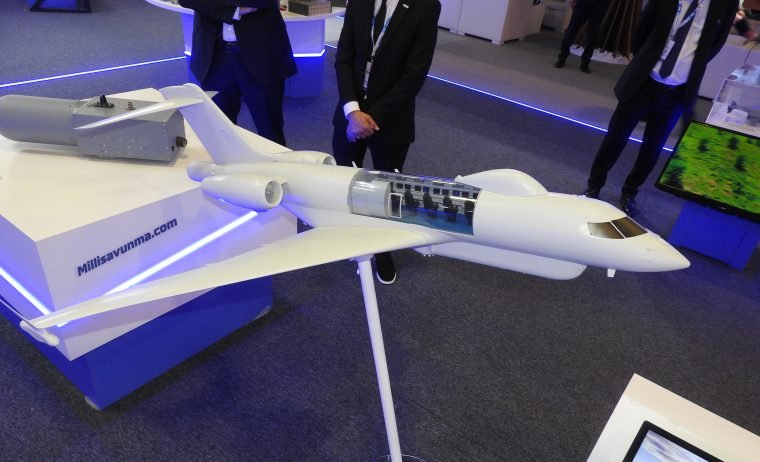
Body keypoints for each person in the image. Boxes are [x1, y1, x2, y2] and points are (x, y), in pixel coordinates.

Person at [582, 0, 738, 216]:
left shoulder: (725, 4)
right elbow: (642, 27)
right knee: (615, 138)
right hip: (644, 81)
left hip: (677, 90)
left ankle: (630, 191)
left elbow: (715, 45)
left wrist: (685, 69)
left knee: (652, 149)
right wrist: (646, 60)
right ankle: (594, 186)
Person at [331, 0, 441, 285]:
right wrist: (353, 112)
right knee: (344, 178)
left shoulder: (426, 6)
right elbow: (344, 58)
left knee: (386, 190)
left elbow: (413, 76)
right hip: (350, 113)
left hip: (392, 119)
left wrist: (370, 119)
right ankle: (351, 236)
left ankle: (382, 251)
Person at [179, 0, 296, 146]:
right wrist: (234, 11)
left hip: (261, 54)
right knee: (220, 133)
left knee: (270, 133)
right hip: (215, 56)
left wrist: (213, 5)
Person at [555, 0, 610, 73]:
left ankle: (585, 63)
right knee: (572, 29)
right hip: (583, 2)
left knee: (593, 35)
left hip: (600, 4)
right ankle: (562, 57)